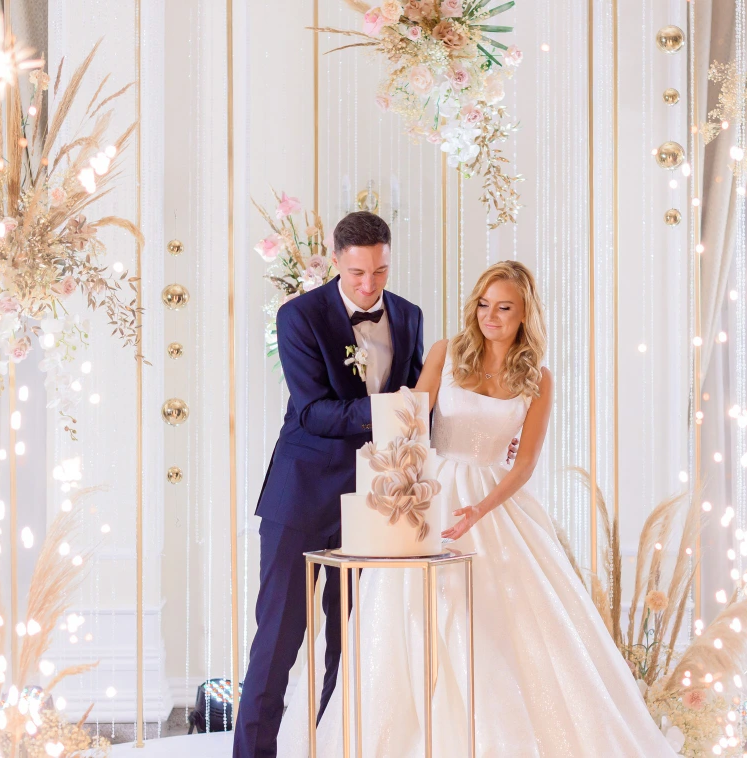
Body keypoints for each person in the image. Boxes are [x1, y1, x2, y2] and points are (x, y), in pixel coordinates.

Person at [277, 261, 677, 757]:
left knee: (503, 627)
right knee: (408, 615)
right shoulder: (446, 353)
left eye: (504, 307)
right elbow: (411, 420)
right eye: (484, 304)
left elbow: (525, 463)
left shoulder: (538, 379)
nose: (491, 316)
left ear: (525, 313)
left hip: (492, 505)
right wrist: (392, 485)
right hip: (430, 495)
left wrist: (480, 509)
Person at [232, 211, 425, 758]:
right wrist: (392, 411)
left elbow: (417, 398)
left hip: (373, 500)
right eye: (358, 272)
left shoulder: (409, 316)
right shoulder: (299, 316)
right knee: (278, 640)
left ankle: (331, 745)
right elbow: (314, 412)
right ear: (337, 260)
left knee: (353, 641)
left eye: (380, 272)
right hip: (301, 495)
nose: (369, 285)